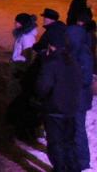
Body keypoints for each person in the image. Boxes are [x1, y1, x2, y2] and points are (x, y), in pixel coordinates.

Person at [36, 24, 82, 172]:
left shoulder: (51, 63)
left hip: (54, 110)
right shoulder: (73, 62)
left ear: (51, 45)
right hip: (71, 109)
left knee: (56, 143)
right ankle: (73, 168)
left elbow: (43, 87)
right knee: (69, 142)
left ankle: (60, 169)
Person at [66, 7, 94, 168]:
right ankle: (75, 158)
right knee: (73, 129)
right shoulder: (77, 51)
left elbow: (85, 78)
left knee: (78, 129)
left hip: (79, 98)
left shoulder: (82, 54)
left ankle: (83, 161)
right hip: (75, 97)